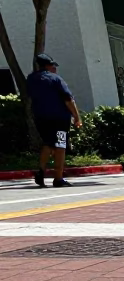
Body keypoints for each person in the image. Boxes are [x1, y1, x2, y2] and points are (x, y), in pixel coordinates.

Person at [26, 53, 83, 188]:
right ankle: (58, 178)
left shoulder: (31, 79)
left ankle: (41, 170)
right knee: (60, 145)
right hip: (59, 118)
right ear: (47, 65)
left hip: (40, 117)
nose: (55, 68)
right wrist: (77, 117)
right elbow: (68, 99)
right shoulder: (56, 79)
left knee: (48, 143)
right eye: (53, 65)